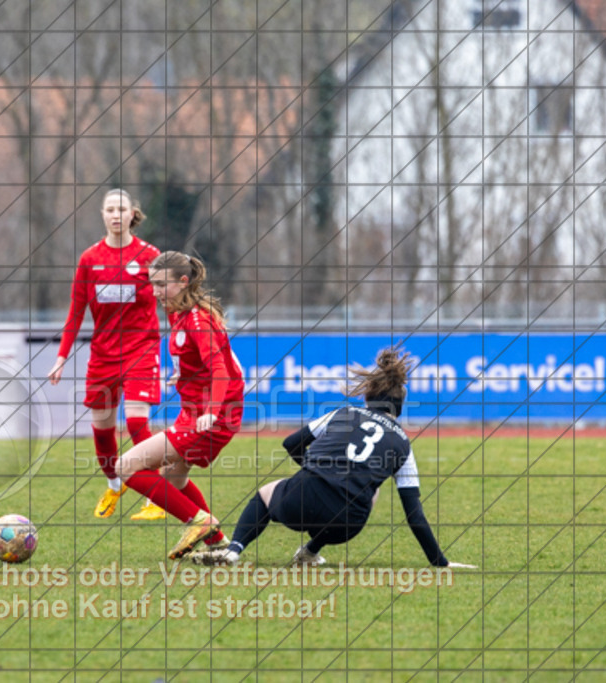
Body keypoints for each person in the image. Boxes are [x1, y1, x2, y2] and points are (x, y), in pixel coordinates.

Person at [190, 346, 476, 569]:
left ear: (367, 398)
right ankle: (309, 552)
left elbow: (291, 443)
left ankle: (233, 551)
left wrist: (315, 468)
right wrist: (440, 562)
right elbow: (414, 514)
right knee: (371, 493)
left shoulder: (343, 413)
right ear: (399, 408)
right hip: (346, 525)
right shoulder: (403, 444)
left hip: (299, 502)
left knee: (265, 493)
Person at [115, 251, 245, 560]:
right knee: (174, 478)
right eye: (152, 284)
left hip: (210, 415)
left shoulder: (198, 320)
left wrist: (211, 411)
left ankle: (200, 522)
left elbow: (221, 371)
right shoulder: (180, 313)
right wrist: (182, 374)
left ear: (183, 282)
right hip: (198, 411)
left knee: (125, 466)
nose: (155, 292)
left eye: (162, 285)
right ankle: (218, 544)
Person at [47, 189, 166, 521]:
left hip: (142, 349)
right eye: (110, 209)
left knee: (137, 421)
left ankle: (156, 496)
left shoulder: (149, 255)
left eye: (121, 209)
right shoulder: (90, 259)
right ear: (103, 214)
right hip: (103, 355)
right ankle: (114, 485)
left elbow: (171, 298)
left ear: (132, 214)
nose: (116, 215)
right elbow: (76, 311)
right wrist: (61, 356)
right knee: (102, 430)